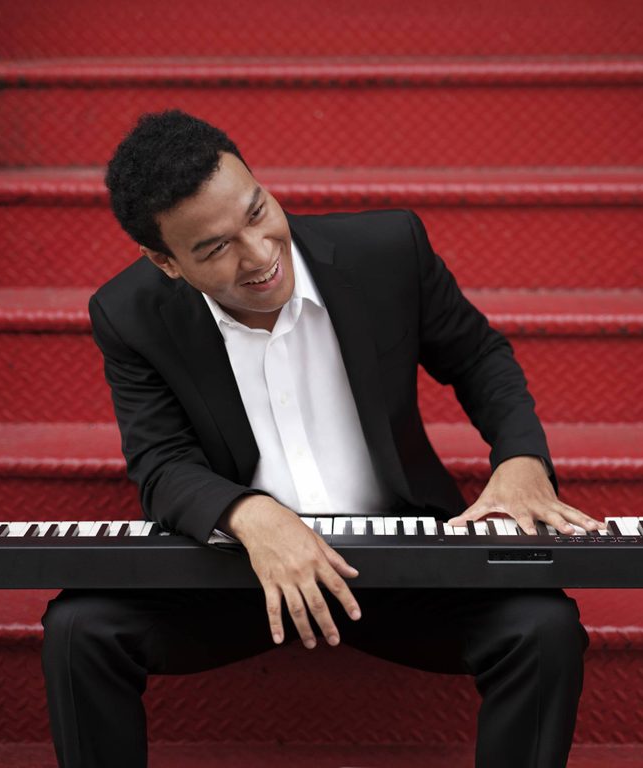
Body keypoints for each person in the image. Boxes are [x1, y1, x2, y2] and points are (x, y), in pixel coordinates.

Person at [41, 110, 599, 768]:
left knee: (545, 629)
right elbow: (161, 464)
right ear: (165, 261)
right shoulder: (128, 313)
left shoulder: (389, 251)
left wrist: (522, 460)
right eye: (215, 248)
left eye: (257, 211)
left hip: (402, 563)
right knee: (79, 629)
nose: (259, 255)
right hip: (240, 573)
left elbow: (480, 359)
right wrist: (252, 517)